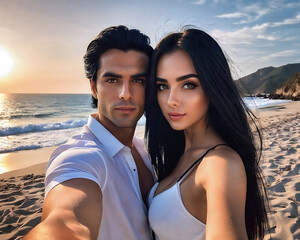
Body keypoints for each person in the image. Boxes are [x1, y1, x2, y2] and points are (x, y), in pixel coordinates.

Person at [24, 25, 155, 240]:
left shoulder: (142, 148)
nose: (126, 94)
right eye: (112, 80)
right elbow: (64, 220)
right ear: (93, 87)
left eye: (138, 80)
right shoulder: (81, 157)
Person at [145, 28, 269, 240]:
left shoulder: (220, 164)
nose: (171, 100)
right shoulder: (181, 155)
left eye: (188, 85)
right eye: (162, 86)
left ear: (213, 86)